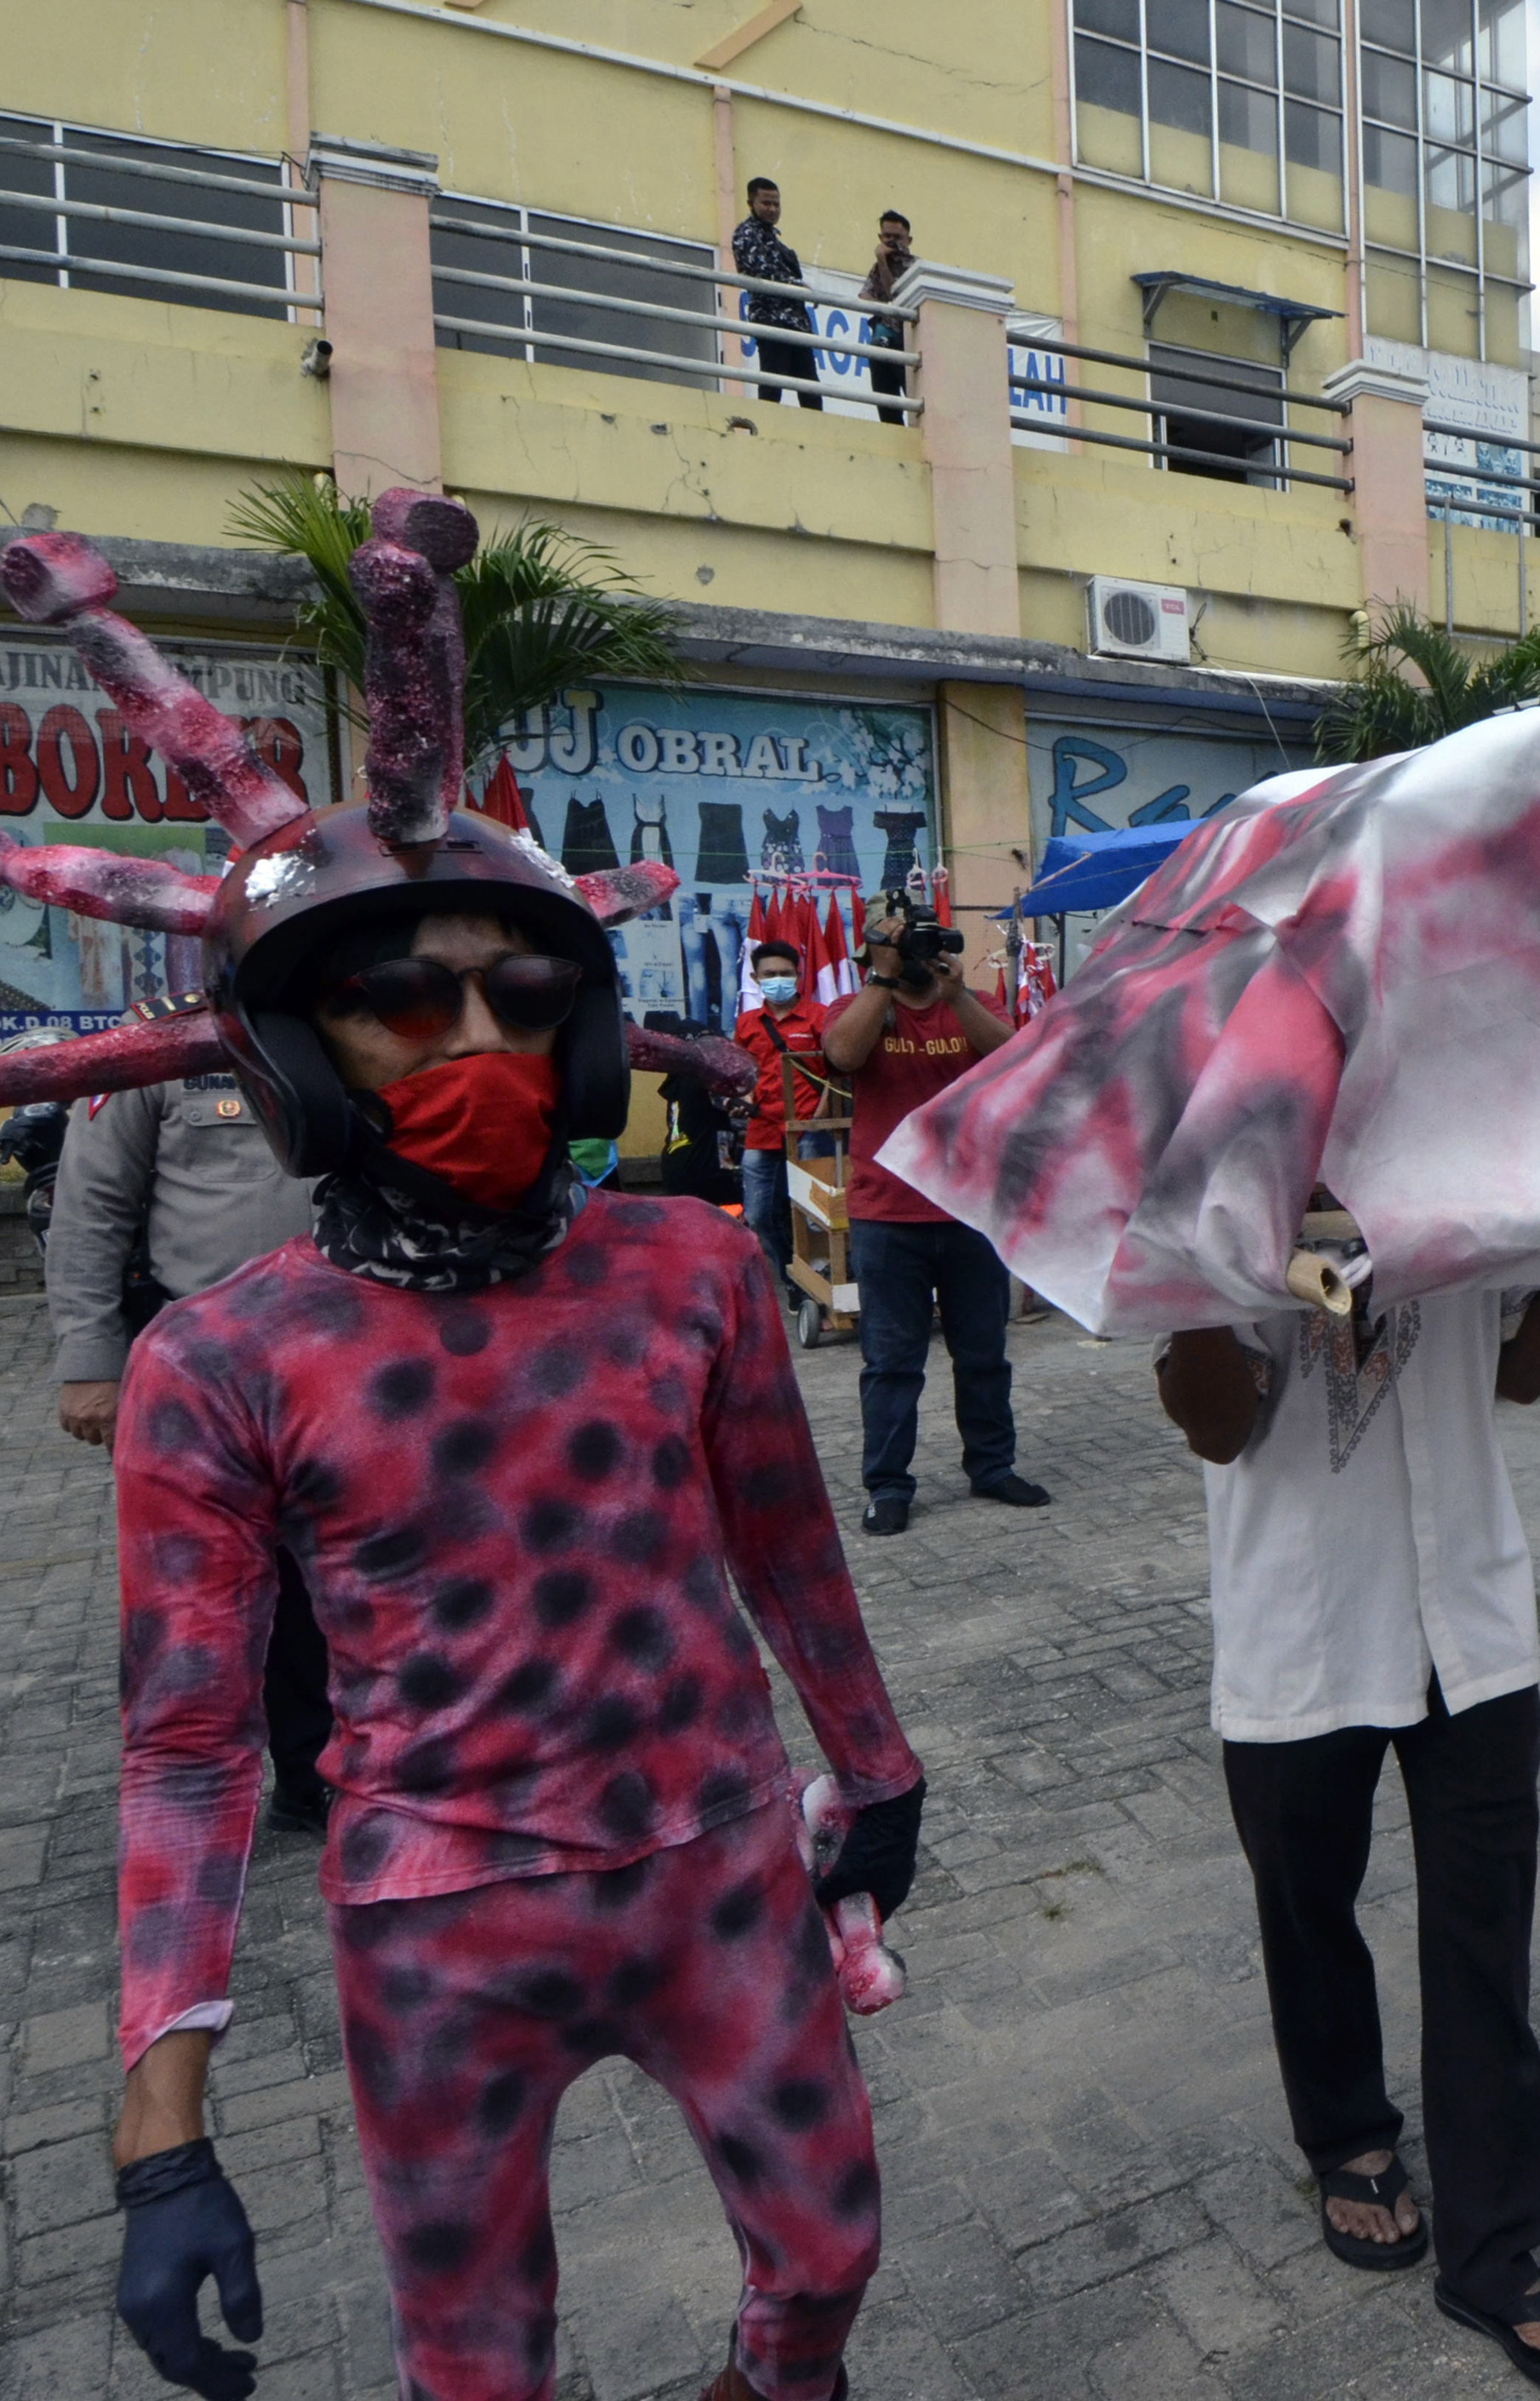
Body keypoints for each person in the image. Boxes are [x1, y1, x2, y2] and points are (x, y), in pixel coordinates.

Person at [0, 499, 922, 2401]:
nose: (475, 1041)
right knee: (478, 2364)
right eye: (401, 1001)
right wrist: (161, 2128)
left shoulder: (691, 1268)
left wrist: (875, 1766)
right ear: (293, 1049)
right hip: (440, 1921)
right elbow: (189, 1746)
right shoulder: (222, 1362)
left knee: (830, 2262)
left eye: (525, 995)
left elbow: (787, 1546)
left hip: (719, 1861)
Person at [1157, 1271, 1540, 2389]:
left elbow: (1523, 1372)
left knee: (1484, 1923)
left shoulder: (1475, 1170)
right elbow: (1216, 1428)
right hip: (1298, 1610)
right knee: (1305, 1897)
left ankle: (1492, 2241)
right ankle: (1345, 2132)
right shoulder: (1228, 1181)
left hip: (1470, 1608)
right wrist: (1192, 1267)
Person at [47, 1057, 331, 1829]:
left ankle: (315, 1775)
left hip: (349, 1363)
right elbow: (91, 1207)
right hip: (203, 1373)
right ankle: (190, 1796)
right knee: (194, 1600)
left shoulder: (355, 1026)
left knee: (328, 1587)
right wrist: (90, 1363)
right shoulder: (156, 1056)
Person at [822, 894, 1047, 1534]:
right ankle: (888, 1485)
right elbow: (843, 1055)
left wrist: (959, 995)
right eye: (899, 942)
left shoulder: (971, 1004)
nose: (916, 954)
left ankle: (993, 1467)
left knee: (984, 1354)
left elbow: (1015, 1059)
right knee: (892, 1363)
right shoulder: (859, 1005)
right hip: (887, 1216)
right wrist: (884, 977)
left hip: (969, 1210)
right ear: (873, 951)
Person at [733, 937, 839, 1292]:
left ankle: (825, 1280)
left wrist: (820, 1117)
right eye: (769, 974)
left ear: (799, 975)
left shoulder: (820, 1017)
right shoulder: (747, 1023)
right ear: (755, 977)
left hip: (811, 1130)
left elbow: (838, 1070)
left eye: (785, 973)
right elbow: (743, 1073)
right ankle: (792, 1279)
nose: (777, 980)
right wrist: (743, 1099)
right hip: (761, 1129)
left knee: (817, 1214)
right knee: (759, 1215)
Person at [729, 177, 823, 411]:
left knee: (810, 388)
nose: (772, 209)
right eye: (766, 203)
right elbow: (761, 271)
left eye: (776, 204)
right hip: (771, 319)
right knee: (773, 383)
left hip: (796, 323)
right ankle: (766, 425)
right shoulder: (746, 234)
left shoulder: (772, 238)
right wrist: (798, 286)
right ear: (751, 204)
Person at [855, 210, 913, 425]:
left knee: (913, 395)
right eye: (887, 236)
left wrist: (882, 260)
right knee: (886, 401)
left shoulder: (915, 267)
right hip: (882, 338)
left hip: (907, 342)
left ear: (909, 240)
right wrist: (885, 307)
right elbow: (864, 296)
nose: (891, 241)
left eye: (897, 237)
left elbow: (893, 294)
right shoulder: (878, 267)